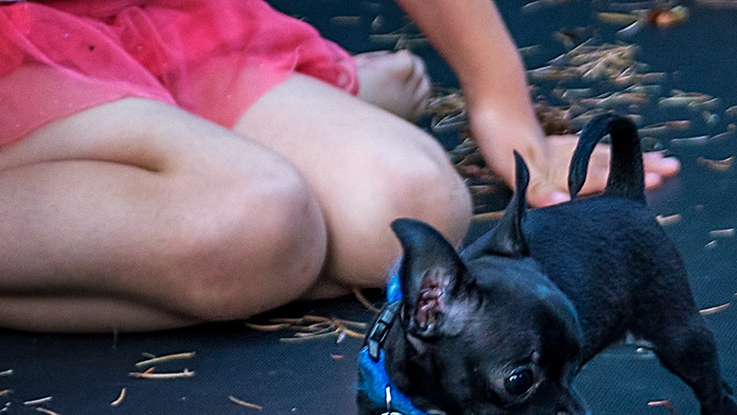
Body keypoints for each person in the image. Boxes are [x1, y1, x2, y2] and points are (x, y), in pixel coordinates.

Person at [0, 0, 679, 333]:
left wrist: (504, 109)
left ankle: (247, 229)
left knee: (410, 205)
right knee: (254, 220)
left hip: (147, 23)